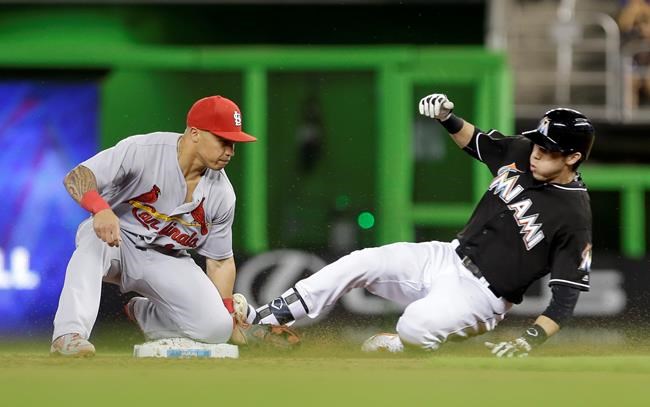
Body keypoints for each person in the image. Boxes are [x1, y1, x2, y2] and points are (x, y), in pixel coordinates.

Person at [238, 93, 595, 357]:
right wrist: (446, 118)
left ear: (573, 158)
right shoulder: (521, 152)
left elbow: (565, 297)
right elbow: (477, 143)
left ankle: (400, 347)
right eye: (537, 144)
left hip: (481, 296)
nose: (536, 153)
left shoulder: (574, 215)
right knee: (361, 262)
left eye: (548, 151)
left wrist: (529, 339)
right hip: (445, 257)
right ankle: (265, 319)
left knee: (415, 325)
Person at [50, 95, 287, 357]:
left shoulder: (222, 194)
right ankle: (68, 335)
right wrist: (100, 208)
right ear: (195, 133)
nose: (230, 150)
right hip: (117, 239)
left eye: (233, 143)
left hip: (166, 258)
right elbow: (77, 176)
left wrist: (228, 313)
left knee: (216, 329)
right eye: (223, 140)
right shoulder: (144, 151)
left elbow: (220, 262)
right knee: (92, 245)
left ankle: (146, 314)